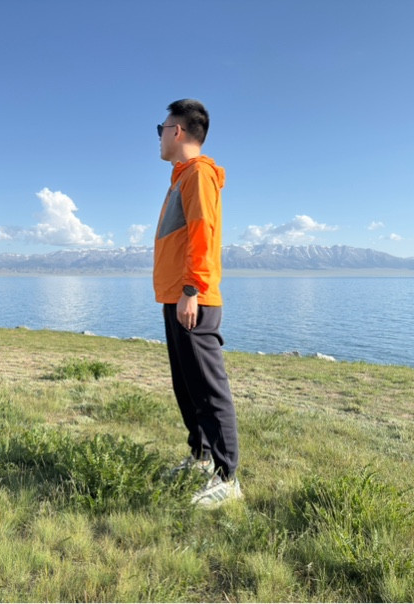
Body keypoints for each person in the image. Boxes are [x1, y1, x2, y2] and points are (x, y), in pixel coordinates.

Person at [153, 99, 242, 508]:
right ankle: (202, 458)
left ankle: (228, 478)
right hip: (178, 297)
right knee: (187, 386)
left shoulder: (198, 175)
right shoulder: (181, 177)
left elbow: (202, 234)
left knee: (208, 389)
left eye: (161, 129)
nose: (159, 137)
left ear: (177, 131)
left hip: (193, 298)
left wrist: (191, 290)